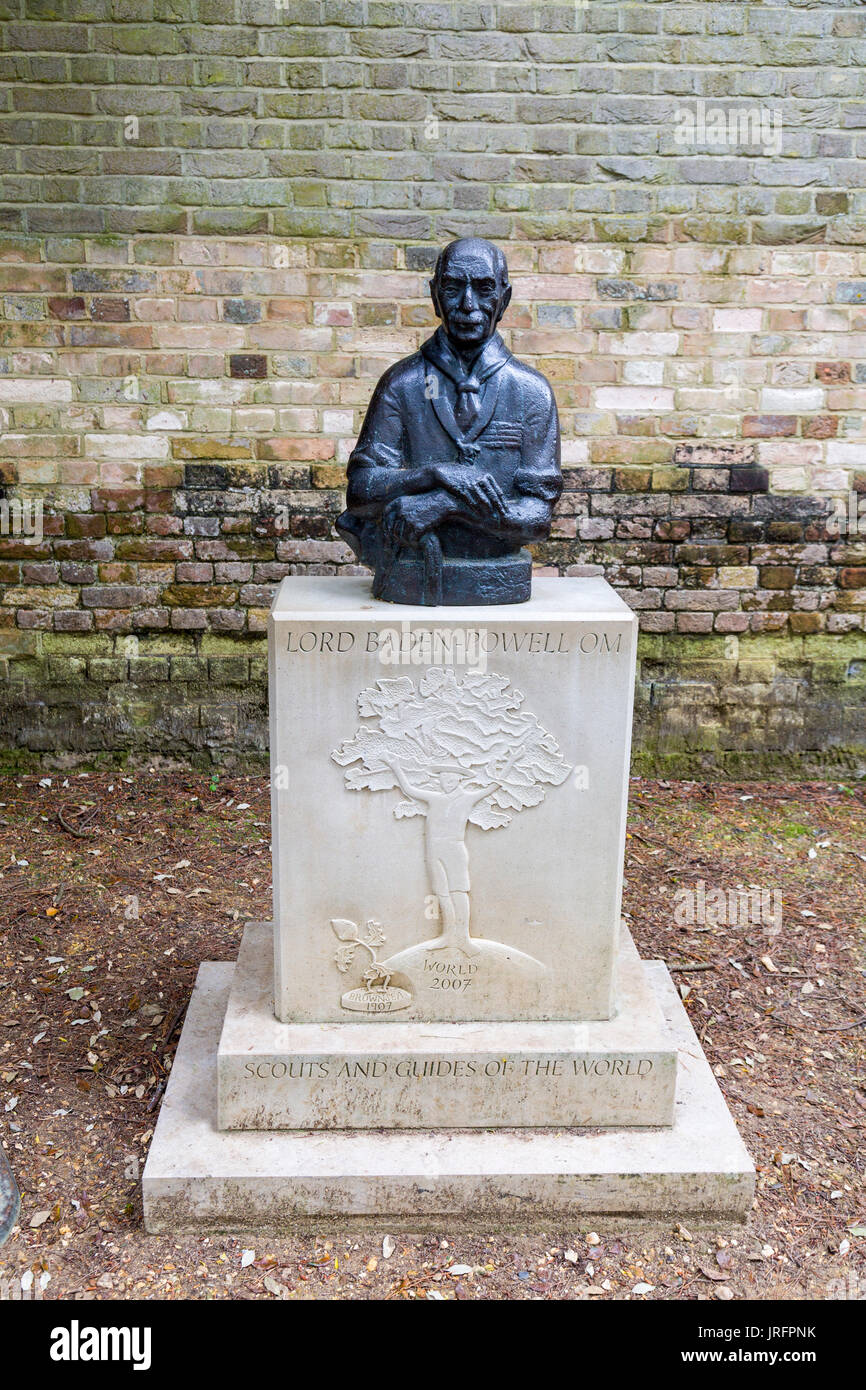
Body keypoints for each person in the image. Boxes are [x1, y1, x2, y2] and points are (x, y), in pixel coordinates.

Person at [337, 238, 562, 605]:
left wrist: (447, 503)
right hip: (409, 575)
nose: (468, 305)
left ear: (503, 299)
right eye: (454, 288)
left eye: (484, 288)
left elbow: (537, 518)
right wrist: (434, 474)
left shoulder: (531, 392)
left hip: (501, 576)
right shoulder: (402, 383)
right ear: (435, 296)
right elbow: (361, 492)